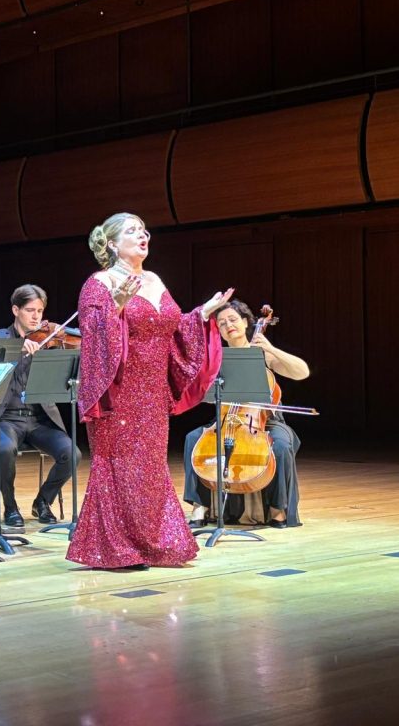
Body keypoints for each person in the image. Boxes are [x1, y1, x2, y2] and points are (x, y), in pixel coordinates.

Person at [66, 213, 231, 570]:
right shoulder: (99, 283)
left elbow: (171, 328)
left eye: (144, 230)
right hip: (118, 392)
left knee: (150, 468)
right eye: (132, 231)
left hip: (153, 392)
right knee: (120, 466)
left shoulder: (155, 279)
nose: (143, 235)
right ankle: (115, 549)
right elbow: (92, 337)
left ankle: (151, 544)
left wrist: (202, 313)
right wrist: (116, 306)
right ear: (112, 244)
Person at [182, 299, 310, 528]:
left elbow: (302, 372)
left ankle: (277, 509)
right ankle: (200, 506)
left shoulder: (262, 355)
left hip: (264, 422)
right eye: (222, 323)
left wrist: (271, 349)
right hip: (227, 417)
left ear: (245, 322)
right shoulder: (218, 359)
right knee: (193, 438)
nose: (228, 325)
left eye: (233, 319)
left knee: (281, 446)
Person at [0, 284, 80, 532]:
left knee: (72, 454)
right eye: (30, 310)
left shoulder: (47, 340)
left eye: (40, 311)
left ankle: (43, 501)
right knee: (5, 449)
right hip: (4, 419)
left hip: (39, 419)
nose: (36, 317)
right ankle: (10, 506)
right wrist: (15, 348)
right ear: (15, 310)